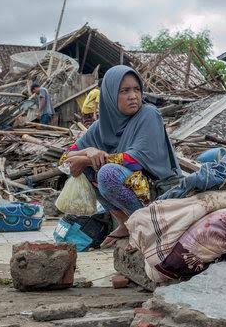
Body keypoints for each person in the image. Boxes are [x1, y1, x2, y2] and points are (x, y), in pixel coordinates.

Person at [61, 66, 181, 248]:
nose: (133, 96)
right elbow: (65, 159)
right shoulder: (100, 127)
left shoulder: (149, 114)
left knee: (107, 173)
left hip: (159, 190)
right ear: (109, 95)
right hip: (134, 190)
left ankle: (144, 225)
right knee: (86, 168)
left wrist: (87, 159)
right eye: (124, 91)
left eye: (137, 89)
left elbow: (134, 160)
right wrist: (88, 151)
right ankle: (125, 222)